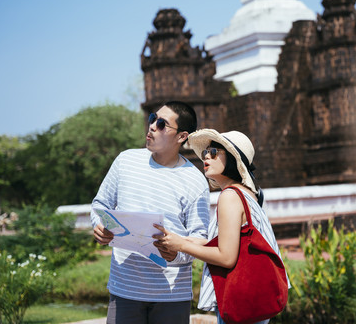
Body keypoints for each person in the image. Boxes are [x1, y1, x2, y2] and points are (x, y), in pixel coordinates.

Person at [90, 101, 210, 324]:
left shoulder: (195, 181)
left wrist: (176, 253)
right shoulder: (125, 161)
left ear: (182, 136)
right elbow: (100, 204)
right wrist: (98, 226)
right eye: (153, 118)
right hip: (124, 290)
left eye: (162, 124)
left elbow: (200, 239)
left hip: (171, 296)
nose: (153, 126)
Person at [153, 129, 286, 324]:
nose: (206, 156)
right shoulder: (248, 193)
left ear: (232, 159)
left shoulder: (230, 196)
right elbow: (236, 244)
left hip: (238, 304)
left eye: (214, 152)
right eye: (206, 151)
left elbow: (227, 257)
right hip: (253, 302)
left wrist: (180, 246)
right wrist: (184, 239)